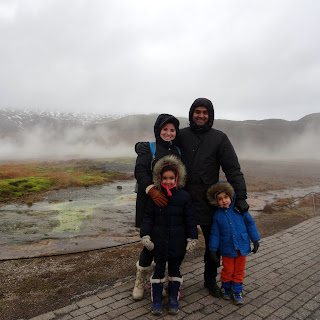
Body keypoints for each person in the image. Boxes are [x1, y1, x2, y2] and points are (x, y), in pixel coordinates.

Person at [179, 97, 249, 297]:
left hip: (210, 202)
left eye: (205, 112)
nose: (201, 115)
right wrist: (144, 149)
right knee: (177, 243)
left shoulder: (219, 138)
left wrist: (241, 196)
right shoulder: (181, 136)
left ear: (210, 115)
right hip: (185, 200)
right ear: (191, 114)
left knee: (214, 245)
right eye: (197, 112)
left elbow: (232, 169)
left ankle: (209, 281)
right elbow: (163, 144)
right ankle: (172, 280)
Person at [140, 155, 198, 315]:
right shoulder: (155, 196)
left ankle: (173, 298)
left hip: (177, 243)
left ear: (177, 177)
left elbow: (190, 219)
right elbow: (148, 217)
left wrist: (192, 237)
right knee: (158, 271)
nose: (168, 181)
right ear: (159, 178)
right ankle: (156, 300)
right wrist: (145, 235)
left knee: (175, 270)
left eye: (171, 178)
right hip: (158, 242)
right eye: (165, 178)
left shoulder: (184, 197)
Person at [132, 113, 182, 300]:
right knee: (150, 244)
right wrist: (152, 189)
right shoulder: (149, 149)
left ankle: (158, 279)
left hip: (170, 205)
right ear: (157, 130)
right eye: (165, 129)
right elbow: (139, 171)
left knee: (166, 242)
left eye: (172, 130)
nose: (168, 133)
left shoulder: (178, 151)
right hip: (149, 204)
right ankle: (139, 281)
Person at [207, 181, 260, 304]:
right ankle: (226, 288)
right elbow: (215, 234)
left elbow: (250, 224)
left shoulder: (240, 210)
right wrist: (213, 249)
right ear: (216, 201)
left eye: (226, 197)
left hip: (242, 247)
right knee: (228, 270)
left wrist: (255, 240)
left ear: (231, 196)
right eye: (220, 199)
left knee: (239, 270)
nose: (224, 201)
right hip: (227, 248)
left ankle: (237, 291)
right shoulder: (217, 215)